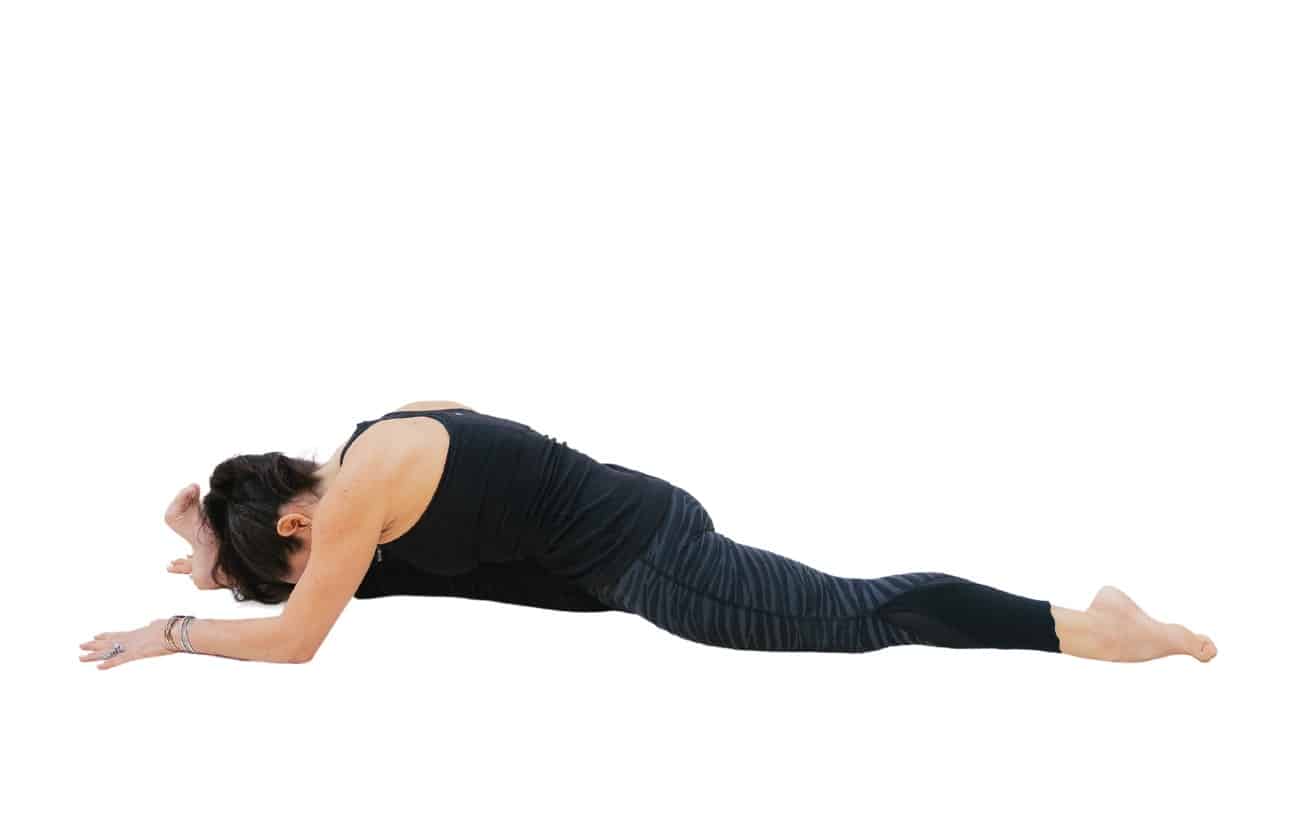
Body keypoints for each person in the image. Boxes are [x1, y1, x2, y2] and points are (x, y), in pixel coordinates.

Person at [79, 401, 1218, 669]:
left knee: (872, 612)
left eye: (282, 555)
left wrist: (172, 628)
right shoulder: (375, 438)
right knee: (385, 575)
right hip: (636, 516)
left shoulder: (352, 523)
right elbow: (343, 579)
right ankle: (1088, 621)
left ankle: (1097, 632)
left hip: (653, 565)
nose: (312, 566)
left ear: (293, 519)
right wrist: (216, 559)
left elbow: (300, 643)